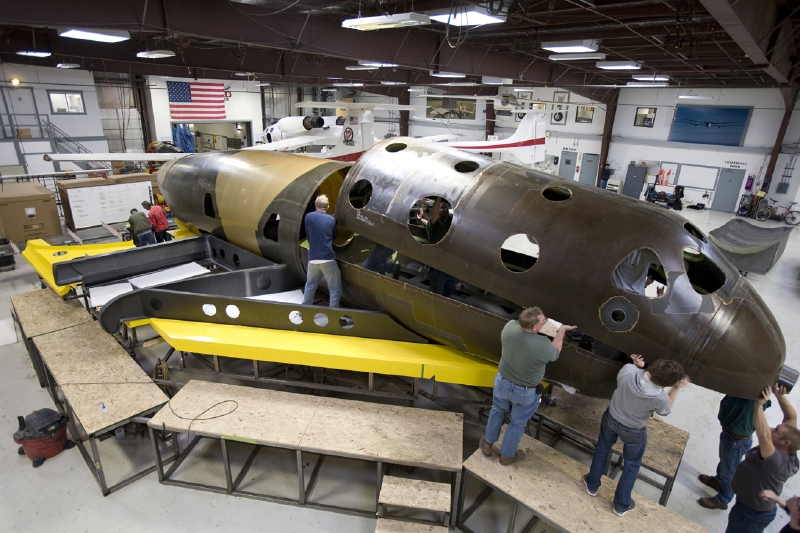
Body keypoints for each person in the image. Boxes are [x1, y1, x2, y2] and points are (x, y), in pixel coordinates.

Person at [584, 355, 690, 517]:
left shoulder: (628, 371)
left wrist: (638, 366)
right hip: (633, 430)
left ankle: (592, 485)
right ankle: (620, 505)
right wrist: (676, 388)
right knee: (632, 465)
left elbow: (630, 378)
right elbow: (665, 411)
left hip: (611, 418)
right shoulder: (660, 398)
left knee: (602, 449)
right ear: (666, 383)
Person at [479, 307, 577, 465]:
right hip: (524, 393)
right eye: (543, 322)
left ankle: (487, 444)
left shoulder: (509, 327)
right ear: (535, 328)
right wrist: (561, 331)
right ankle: (506, 456)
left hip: (503, 383)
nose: (544, 323)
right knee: (517, 422)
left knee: (497, 410)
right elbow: (555, 352)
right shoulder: (543, 345)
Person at [726, 385, 800, 533]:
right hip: (751, 507)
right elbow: (792, 417)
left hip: (750, 514)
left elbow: (764, 436)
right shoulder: (790, 450)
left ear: (785, 443)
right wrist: (780, 396)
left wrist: (758, 406)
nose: (771, 428)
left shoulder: (776, 461)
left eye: (776, 430)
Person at [697, 395, 772, 510]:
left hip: (737, 440)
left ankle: (723, 499)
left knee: (729, 471)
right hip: (729, 434)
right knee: (725, 463)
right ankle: (719, 481)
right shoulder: (742, 391)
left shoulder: (754, 396)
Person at [302, 195, 342, 308]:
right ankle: (333, 314)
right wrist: (332, 221)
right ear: (327, 207)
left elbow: (309, 235)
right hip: (327, 258)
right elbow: (333, 236)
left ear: (316, 205)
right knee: (335, 289)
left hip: (313, 258)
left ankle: (305, 310)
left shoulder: (308, 217)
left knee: (310, 285)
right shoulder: (332, 219)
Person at [417, 197, 456, 296]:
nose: (445, 210)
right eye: (442, 208)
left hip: (450, 267)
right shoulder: (436, 225)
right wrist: (439, 196)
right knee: (436, 297)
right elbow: (433, 215)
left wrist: (421, 219)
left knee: (448, 295)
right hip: (438, 268)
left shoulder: (448, 223)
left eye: (446, 208)